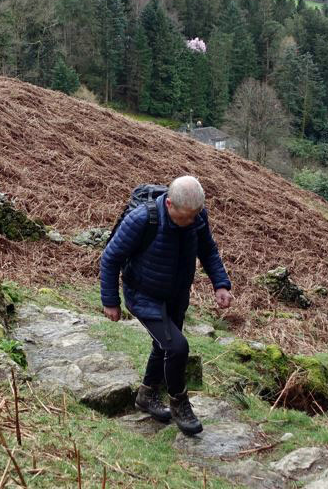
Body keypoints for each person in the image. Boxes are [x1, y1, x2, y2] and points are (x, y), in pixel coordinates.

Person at [99, 175, 233, 435]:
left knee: (163, 347)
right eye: (186, 216)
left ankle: (146, 395)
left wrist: (221, 284)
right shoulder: (142, 219)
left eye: (196, 215)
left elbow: (208, 250)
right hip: (143, 294)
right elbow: (110, 258)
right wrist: (111, 301)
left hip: (176, 294)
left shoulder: (197, 217)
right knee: (178, 346)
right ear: (169, 204)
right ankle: (180, 403)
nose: (192, 221)